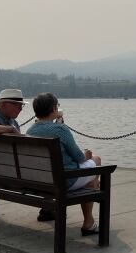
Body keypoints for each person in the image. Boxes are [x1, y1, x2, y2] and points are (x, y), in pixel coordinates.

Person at [26, 92, 102, 236]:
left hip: (41, 180)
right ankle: (88, 223)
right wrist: (87, 156)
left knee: (91, 175)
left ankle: (50, 209)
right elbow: (79, 158)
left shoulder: (30, 130)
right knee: (96, 161)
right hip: (65, 181)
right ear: (54, 109)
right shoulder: (61, 130)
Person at [0, 89, 53, 222]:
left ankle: (48, 208)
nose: (20, 108)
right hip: (5, 173)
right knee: (47, 169)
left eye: (21, 105)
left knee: (44, 166)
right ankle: (48, 208)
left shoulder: (13, 122)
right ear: (2, 105)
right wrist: (9, 129)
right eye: (16, 104)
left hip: (2, 171)